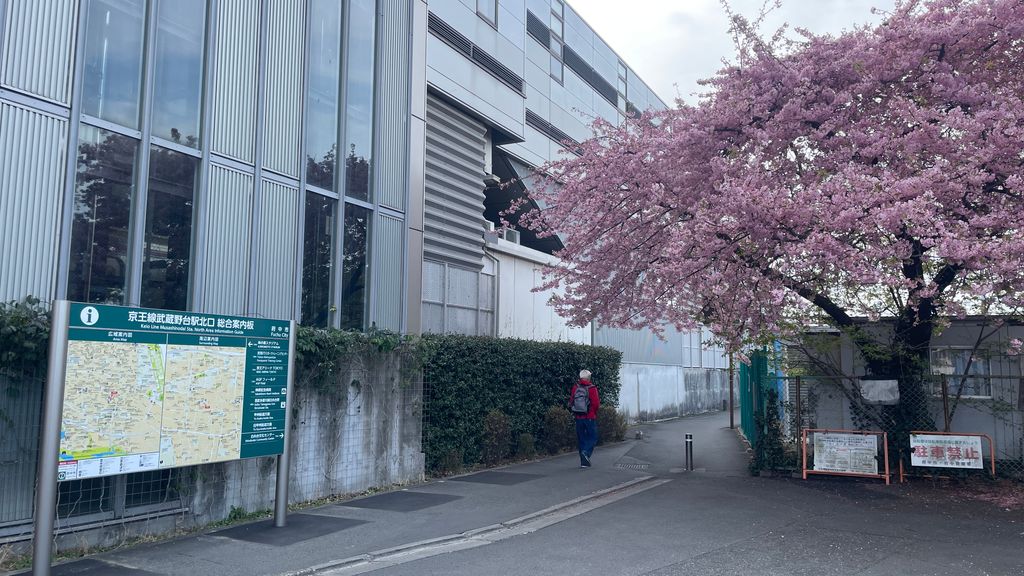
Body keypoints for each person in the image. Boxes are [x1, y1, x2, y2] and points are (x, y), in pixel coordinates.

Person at [569, 369, 600, 468]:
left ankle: (584, 463)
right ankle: (586, 452)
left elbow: (571, 401)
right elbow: (596, 404)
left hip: (578, 417)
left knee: (581, 438)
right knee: (593, 437)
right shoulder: (592, 388)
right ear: (589, 377)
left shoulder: (575, 387)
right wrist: (593, 413)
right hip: (589, 416)